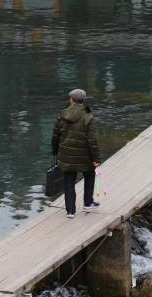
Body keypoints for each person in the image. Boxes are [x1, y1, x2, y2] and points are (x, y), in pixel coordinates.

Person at [51, 88, 101, 218]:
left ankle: (70, 211)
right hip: (85, 155)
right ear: (83, 100)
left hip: (66, 154)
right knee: (89, 175)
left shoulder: (61, 115)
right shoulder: (88, 116)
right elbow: (93, 141)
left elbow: (55, 136)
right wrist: (96, 158)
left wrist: (55, 151)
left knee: (68, 180)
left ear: (71, 100)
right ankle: (87, 203)